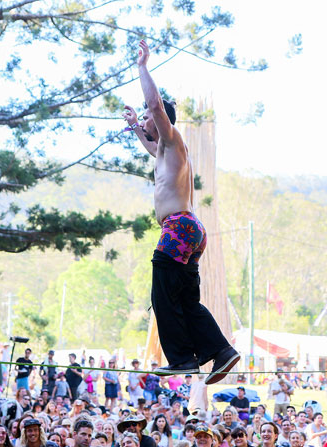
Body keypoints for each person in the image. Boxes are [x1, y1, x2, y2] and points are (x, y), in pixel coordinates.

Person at [124, 40, 239, 385]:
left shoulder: (173, 140)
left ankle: (182, 360)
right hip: (189, 231)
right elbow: (148, 142)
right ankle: (221, 351)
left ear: (160, 121)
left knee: (161, 294)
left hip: (178, 229)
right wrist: (134, 127)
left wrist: (143, 68)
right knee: (186, 300)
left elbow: (156, 105)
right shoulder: (164, 152)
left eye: (146, 117)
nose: (145, 119)